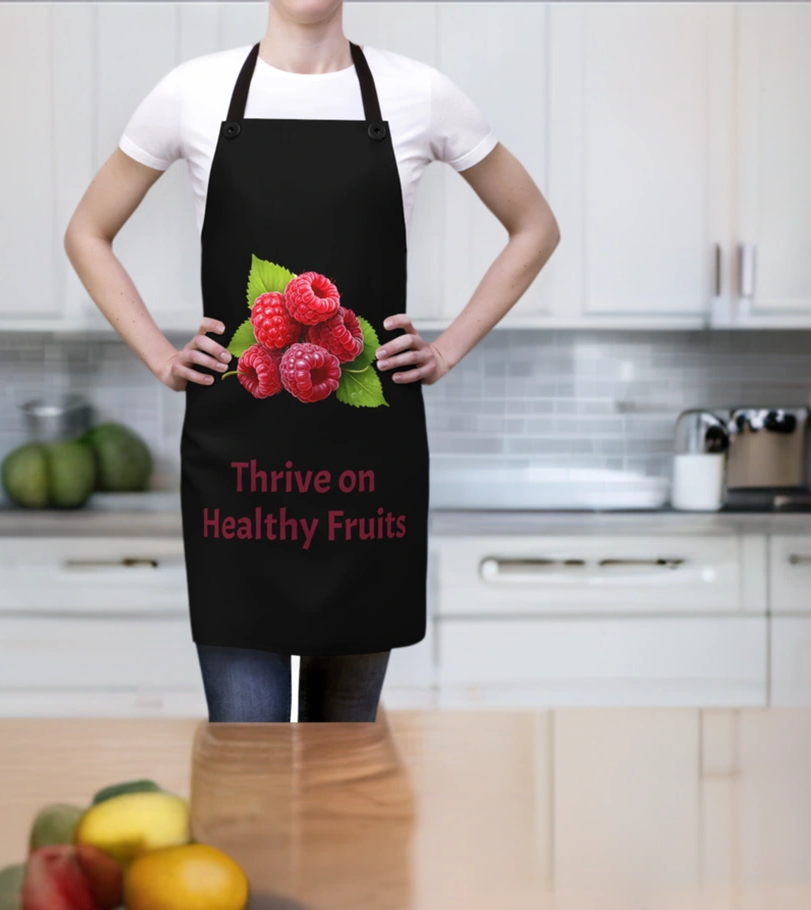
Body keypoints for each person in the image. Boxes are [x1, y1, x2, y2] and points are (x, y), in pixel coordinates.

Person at [65, 0, 559, 724]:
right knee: (246, 762)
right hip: (240, 479)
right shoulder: (191, 92)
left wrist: (449, 347)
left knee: (346, 765)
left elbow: (534, 226)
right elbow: (87, 231)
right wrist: (162, 357)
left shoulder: (417, 94)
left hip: (364, 483)